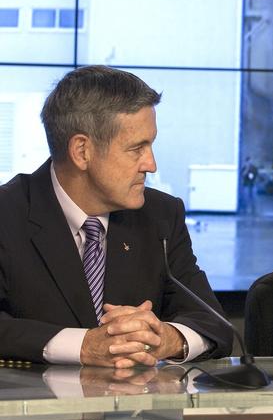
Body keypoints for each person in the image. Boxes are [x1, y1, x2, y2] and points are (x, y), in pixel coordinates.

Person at [0, 65, 232, 366]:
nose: (151, 164)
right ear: (82, 151)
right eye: (137, 149)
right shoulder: (8, 214)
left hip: (137, 411)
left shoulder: (161, 215)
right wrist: (82, 345)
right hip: (33, 409)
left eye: (151, 145)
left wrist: (165, 339)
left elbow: (214, 324)